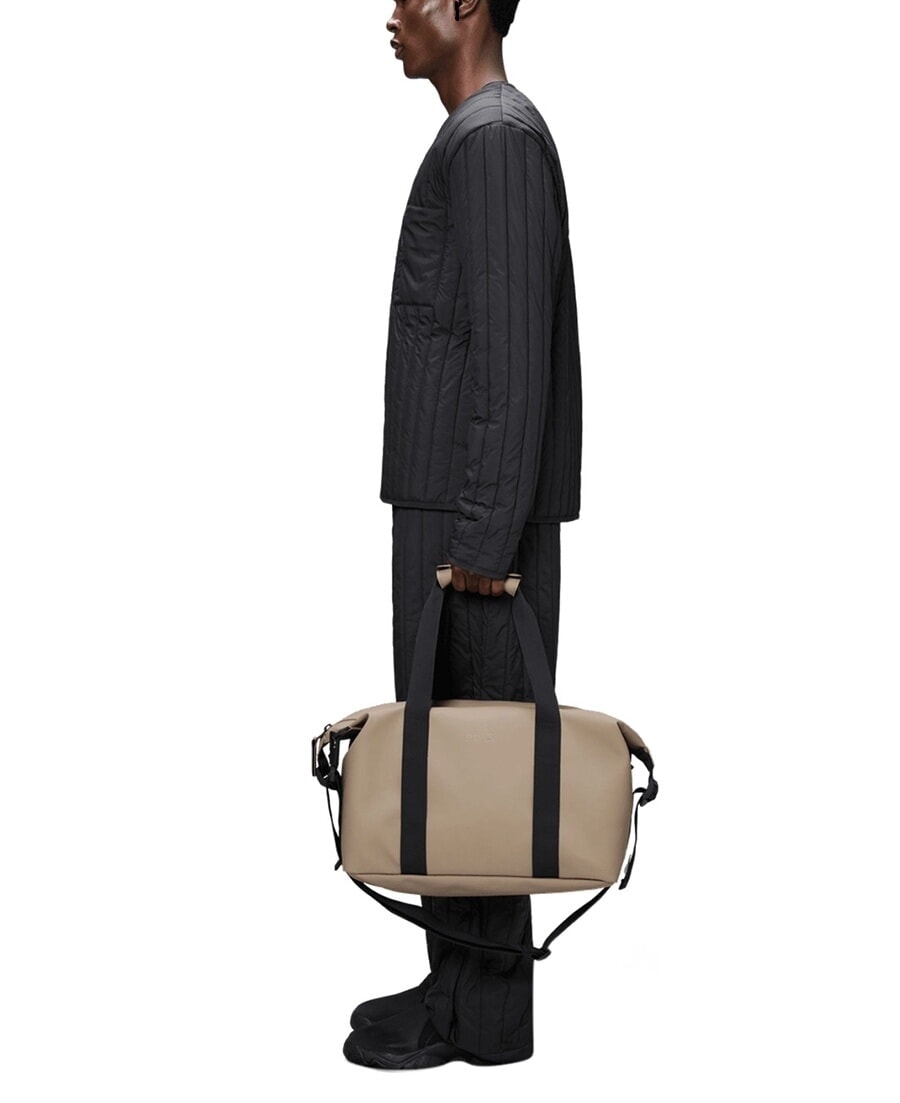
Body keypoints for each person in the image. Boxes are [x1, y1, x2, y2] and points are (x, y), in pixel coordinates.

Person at [341, 0, 583, 1068]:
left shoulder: (494, 140)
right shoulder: (478, 135)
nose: (392, 15)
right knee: (448, 764)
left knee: (481, 765)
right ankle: (455, 981)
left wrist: (484, 543)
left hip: (474, 525)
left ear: (468, 6)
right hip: (451, 508)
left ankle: (481, 1017)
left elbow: (513, 358)